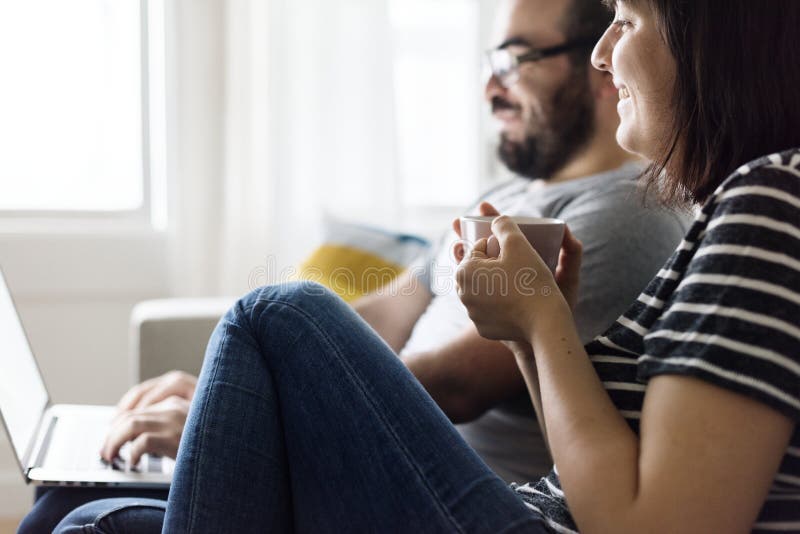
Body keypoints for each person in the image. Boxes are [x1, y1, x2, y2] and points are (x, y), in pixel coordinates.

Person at [54, 0, 800, 530]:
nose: (607, 56)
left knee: (277, 316)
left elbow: (656, 525)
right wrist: (530, 331)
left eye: (628, 21)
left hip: (520, 509)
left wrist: (543, 324)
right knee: (87, 517)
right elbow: (605, 470)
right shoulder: (737, 209)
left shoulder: (766, 202)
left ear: (712, 46)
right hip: (534, 508)